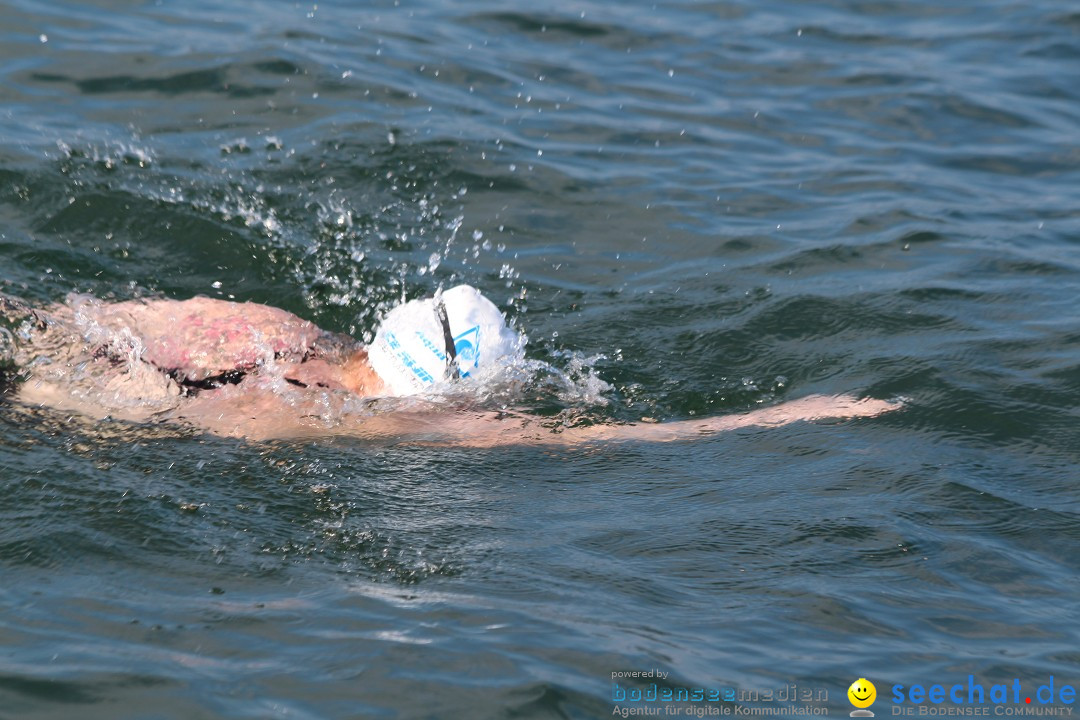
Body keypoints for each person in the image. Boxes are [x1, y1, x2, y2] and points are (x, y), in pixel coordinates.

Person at [0, 287, 900, 444]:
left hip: (60, 358)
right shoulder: (425, 422)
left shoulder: (278, 329)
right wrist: (798, 412)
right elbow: (612, 438)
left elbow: (93, 322)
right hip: (69, 426)